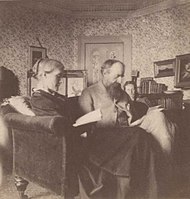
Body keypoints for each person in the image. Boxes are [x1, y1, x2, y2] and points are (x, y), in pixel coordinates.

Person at [78, 59, 159, 199]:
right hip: (101, 141)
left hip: (127, 136)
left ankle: (151, 194)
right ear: (104, 73)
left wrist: (130, 115)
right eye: (117, 76)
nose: (120, 80)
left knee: (144, 138)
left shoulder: (122, 94)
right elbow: (85, 126)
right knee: (140, 137)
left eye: (122, 76)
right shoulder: (88, 93)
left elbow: (131, 119)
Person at [29, 58, 81, 198]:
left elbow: (68, 107)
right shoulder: (40, 99)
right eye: (58, 76)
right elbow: (60, 126)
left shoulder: (52, 95)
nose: (61, 81)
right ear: (44, 75)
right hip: (63, 145)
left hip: (73, 137)